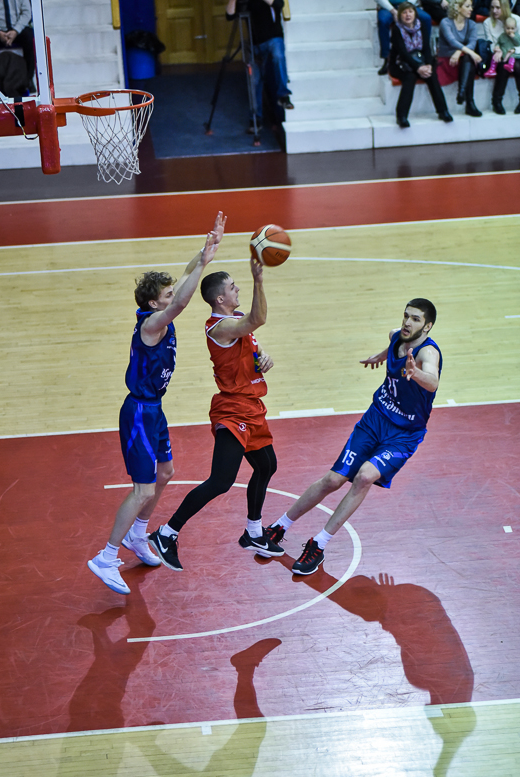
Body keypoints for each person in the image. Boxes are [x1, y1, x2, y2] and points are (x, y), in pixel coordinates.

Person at [87, 212, 226, 595]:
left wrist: (205, 253)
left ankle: (137, 535)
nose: (173, 296)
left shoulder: (158, 315)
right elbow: (180, 301)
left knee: (165, 473)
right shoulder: (151, 325)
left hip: (155, 409)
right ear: (154, 303)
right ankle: (106, 557)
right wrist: (203, 268)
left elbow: (182, 282)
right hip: (138, 412)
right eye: (165, 295)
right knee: (143, 490)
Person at [264, 299, 442, 576]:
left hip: (403, 434)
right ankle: (280, 526)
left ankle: (318, 544)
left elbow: (432, 380)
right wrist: (380, 357)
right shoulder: (397, 336)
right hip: (375, 420)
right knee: (332, 480)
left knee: (364, 477)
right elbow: (393, 346)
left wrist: (415, 372)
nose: (408, 322)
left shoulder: (428, 353)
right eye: (406, 316)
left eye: (416, 319)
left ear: (427, 326)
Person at [148, 258, 284, 571]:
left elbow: (251, 344)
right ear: (220, 298)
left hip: (252, 407)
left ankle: (253, 532)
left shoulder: (235, 321)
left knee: (267, 466)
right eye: (233, 287)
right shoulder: (220, 327)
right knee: (221, 481)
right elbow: (258, 319)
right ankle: (166, 534)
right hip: (233, 410)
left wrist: (263, 357)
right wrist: (259, 279)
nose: (238, 290)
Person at [225, 0, 293, 132]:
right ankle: (255, 119)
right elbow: (230, 15)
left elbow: (278, 4)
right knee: (254, 81)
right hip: (254, 44)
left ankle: (283, 95)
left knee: (278, 56)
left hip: (273, 39)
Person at [389, 1, 453, 126]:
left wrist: (428, 65)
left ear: (415, 13)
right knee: (410, 77)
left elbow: (426, 48)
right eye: (404, 12)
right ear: (400, 15)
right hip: (400, 63)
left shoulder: (421, 25)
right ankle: (401, 116)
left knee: (431, 75)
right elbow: (403, 53)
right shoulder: (397, 29)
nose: (408, 15)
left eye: (410, 11)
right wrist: (418, 67)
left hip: (420, 60)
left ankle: (443, 111)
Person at [373, 0, 432, 75]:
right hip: (388, 6)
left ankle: (424, 54)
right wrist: (393, 10)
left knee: (426, 19)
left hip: (408, 4)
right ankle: (386, 58)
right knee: (383, 21)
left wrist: (405, 9)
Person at [436, 0, 482, 116]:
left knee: (468, 59)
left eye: (471, 6)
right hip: (447, 59)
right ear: (457, 7)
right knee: (469, 58)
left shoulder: (471, 24)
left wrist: (459, 51)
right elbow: (452, 41)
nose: (471, 9)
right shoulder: (445, 22)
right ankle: (469, 102)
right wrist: (469, 52)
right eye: (467, 6)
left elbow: (472, 43)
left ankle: (462, 93)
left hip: (462, 59)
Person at [481, 0, 520, 85]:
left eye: (498, 8)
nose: (494, 11)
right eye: (492, 7)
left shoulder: (517, 20)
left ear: (505, 7)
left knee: (517, 65)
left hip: (516, 52)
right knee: (503, 65)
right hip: (499, 54)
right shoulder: (487, 22)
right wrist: (497, 49)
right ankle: (497, 95)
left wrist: (512, 51)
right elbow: (490, 42)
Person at [494, 15, 520, 111]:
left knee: (518, 67)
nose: (510, 30)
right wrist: (497, 48)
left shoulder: (516, 35)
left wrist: (513, 37)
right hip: (504, 58)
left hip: (516, 56)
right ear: (504, 28)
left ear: (515, 28)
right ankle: (497, 100)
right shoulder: (502, 36)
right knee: (503, 68)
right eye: (508, 28)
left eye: (512, 28)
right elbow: (498, 43)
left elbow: (518, 43)